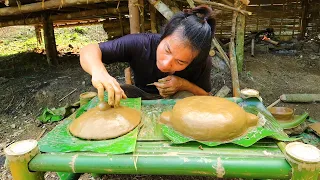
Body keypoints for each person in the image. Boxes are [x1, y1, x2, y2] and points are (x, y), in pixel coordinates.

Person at [80, 5, 216, 107]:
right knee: (113, 94)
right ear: (165, 35)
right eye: (167, 50)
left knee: (187, 97)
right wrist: (99, 72)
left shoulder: (202, 62)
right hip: (141, 96)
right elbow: (89, 50)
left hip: (176, 103)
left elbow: (206, 97)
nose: (166, 63)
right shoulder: (141, 44)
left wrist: (183, 85)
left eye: (180, 62)